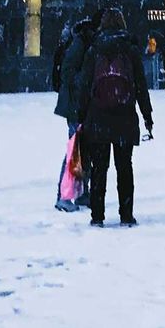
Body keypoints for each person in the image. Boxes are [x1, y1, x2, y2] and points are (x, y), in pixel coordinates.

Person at [79, 8, 153, 227]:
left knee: (99, 168)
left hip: (98, 116)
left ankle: (97, 215)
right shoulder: (130, 49)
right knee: (125, 167)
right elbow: (140, 85)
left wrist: (81, 114)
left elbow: (85, 85)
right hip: (125, 116)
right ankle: (126, 214)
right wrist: (147, 115)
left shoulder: (94, 49)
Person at [53, 11, 101, 212]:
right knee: (76, 151)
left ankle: (81, 193)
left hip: (80, 104)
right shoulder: (81, 43)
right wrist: (87, 81)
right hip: (76, 105)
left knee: (83, 150)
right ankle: (64, 195)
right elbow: (68, 72)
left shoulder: (83, 42)